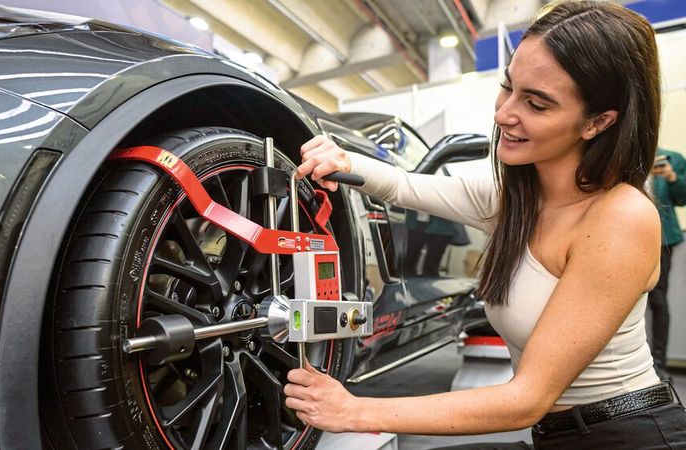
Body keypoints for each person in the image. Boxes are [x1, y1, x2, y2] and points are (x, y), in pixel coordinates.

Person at [285, 1, 686, 448]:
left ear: (598, 122)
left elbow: (526, 399)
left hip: (630, 437)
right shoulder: (514, 197)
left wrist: (354, 411)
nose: (503, 115)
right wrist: (339, 157)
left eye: (536, 104)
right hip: (556, 436)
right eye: (508, 88)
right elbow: (401, 184)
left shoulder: (621, 217)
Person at [649, 149, 686, 381]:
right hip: (624, 238)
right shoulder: (622, 154)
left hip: (663, 241)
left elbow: (683, 198)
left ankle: (658, 365)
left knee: (658, 300)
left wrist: (673, 177)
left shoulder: (672, 159)